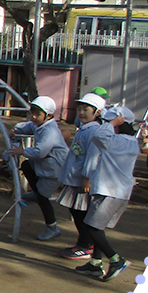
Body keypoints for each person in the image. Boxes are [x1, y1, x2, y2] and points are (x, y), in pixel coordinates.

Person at [70, 107, 136, 281]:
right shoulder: (132, 142)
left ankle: (115, 260)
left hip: (109, 191)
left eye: (109, 122)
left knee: (92, 228)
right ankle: (95, 263)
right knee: (97, 227)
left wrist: (113, 123)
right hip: (116, 191)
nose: (105, 125)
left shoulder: (115, 141)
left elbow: (98, 136)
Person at [54, 92, 106, 260]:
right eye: (80, 109)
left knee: (82, 213)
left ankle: (86, 245)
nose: (82, 113)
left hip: (82, 180)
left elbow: (93, 156)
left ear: (97, 112)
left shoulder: (94, 131)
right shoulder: (84, 129)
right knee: (75, 211)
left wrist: (87, 177)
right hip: (75, 178)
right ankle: (83, 243)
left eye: (86, 109)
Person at [9, 96, 68, 241]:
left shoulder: (50, 132)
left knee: (43, 198)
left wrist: (21, 151)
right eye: (32, 113)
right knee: (26, 165)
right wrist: (15, 129)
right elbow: (28, 126)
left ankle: (52, 227)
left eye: (38, 114)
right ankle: (36, 192)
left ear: (49, 116)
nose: (34, 117)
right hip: (44, 165)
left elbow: (41, 151)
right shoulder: (40, 125)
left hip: (55, 169)